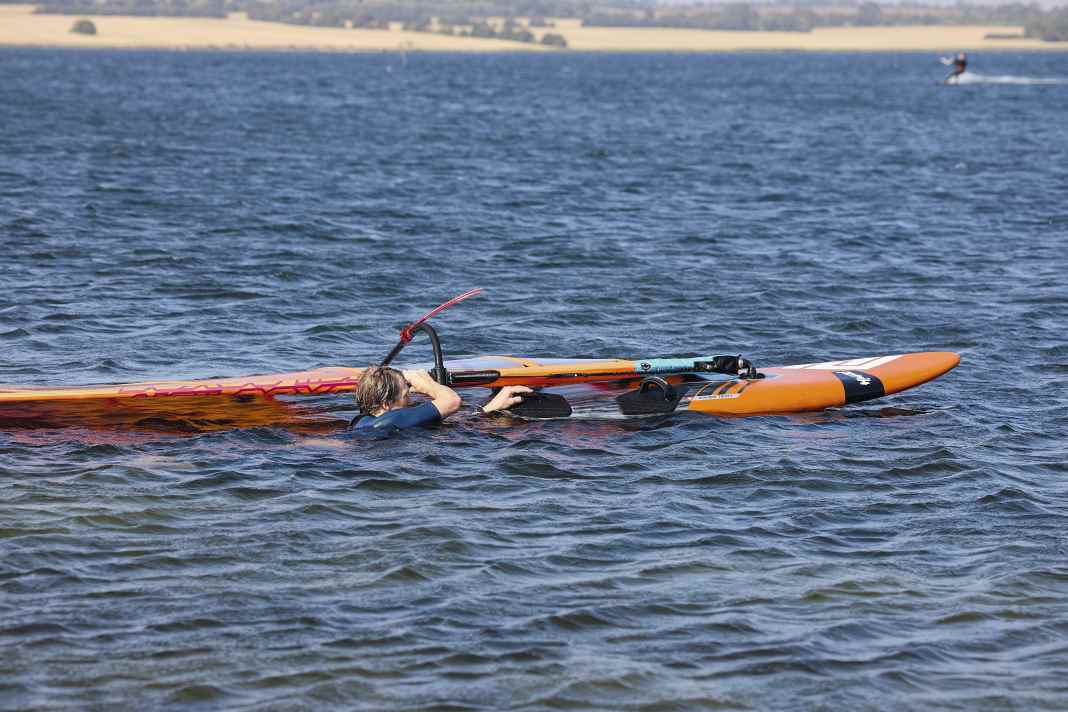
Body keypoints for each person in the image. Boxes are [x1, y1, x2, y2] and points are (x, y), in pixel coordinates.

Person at [352, 365, 531, 437]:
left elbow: (439, 420)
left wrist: (488, 409)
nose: (411, 399)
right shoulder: (393, 420)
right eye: (406, 395)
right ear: (385, 404)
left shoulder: (361, 421)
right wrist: (428, 385)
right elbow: (452, 401)